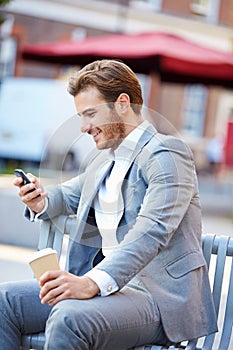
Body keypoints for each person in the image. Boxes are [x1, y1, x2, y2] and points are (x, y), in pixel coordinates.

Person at [0, 59, 217, 350]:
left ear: (123, 103)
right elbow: (68, 195)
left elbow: (152, 231)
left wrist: (91, 282)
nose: (83, 127)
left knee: (68, 318)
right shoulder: (104, 159)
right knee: (4, 303)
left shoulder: (167, 153)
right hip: (108, 292)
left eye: (90, 114)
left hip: (157, 297)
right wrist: (41, 199)